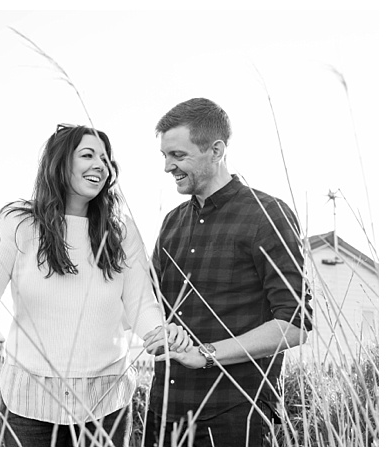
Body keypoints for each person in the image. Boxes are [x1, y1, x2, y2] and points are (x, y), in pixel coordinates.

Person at [0, 124, 192, 447]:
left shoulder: (121, 229)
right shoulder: (18, 222)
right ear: (60, 163)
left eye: (105, 159)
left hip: (106, 403)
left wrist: (160, 333)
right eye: (88, 155)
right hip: (31, 405)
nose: (100, 164)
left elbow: (141, 303)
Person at [142, 98, 312, 447]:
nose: (167, 167)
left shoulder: (269, 215)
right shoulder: (171, 222)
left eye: (177, 155)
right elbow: (149, 305)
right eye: (164, 156)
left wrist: (206, 354)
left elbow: (293, 326)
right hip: (163, 415)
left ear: (216, 149)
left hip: (236, 415)